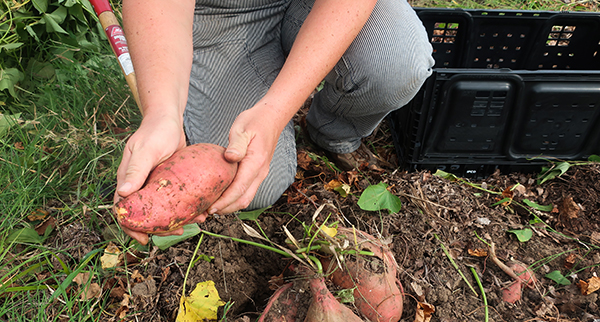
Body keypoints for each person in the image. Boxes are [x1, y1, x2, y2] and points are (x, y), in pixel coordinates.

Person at [115, 0, 434, 244]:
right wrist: (162, 113)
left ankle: (330, 133)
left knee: (396, 61)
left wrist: (276, 111)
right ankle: (256, 82)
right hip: (220, 16)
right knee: (254, 185)